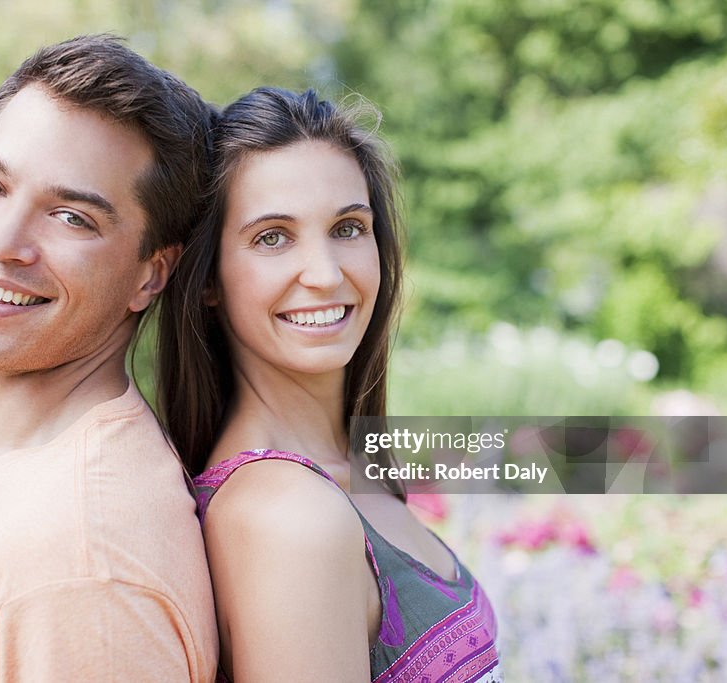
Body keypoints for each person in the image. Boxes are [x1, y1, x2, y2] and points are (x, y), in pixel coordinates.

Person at [0, 35, 218, 682]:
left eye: (70, 217)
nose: (2, 243)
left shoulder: (82, 564)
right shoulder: (28, 473)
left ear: (151, 274)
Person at [158, 87, 502, 682]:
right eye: (273, 237)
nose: (324, 273)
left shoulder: (347, 468)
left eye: (347, 228)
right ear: (208, 277)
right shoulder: (287, 517)